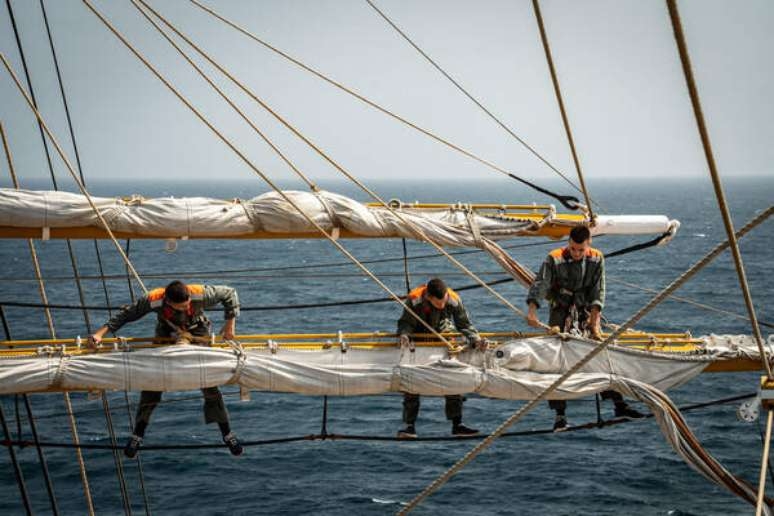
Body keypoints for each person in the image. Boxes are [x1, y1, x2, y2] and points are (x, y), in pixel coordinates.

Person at [89, 281, 244, 457]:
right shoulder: (154, 299)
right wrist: (99, 334)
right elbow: (128, 314)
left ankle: (227, 433)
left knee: (208, 382)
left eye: (187, 305)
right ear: (168, 302)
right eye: (180, 308)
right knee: (153, 382)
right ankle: (138, 434)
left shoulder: (199, 294)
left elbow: (230, 293)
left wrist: (230, 324)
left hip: (197, 332)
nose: (185, 309)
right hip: (166, 333)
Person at [526, 226, 644, 431]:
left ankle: (619, 404)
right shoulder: (554, 258)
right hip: (560, 310)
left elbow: (598, 290)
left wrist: (594, 322)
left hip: (585, 311)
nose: (577, 254)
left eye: (581, 250)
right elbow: (541, 284)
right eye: (573, 249)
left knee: (600, 354)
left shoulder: (597, 258)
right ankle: (559, 416)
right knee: (558, 361)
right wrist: (532, 312)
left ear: (589, 245)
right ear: (568, 243)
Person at [396, 278, 484, 438]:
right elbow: (405, 323)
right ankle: (410, 426)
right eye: (438, 304)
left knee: (453, 377)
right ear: (428, 297)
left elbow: (464, 324)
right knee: (411, 382)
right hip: (419, 340)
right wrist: (404, 335)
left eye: (444, 303)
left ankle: (457, 424)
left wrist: (475, 339)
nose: (442, 306)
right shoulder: (414, 300)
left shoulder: (453, 299)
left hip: (444, 338)